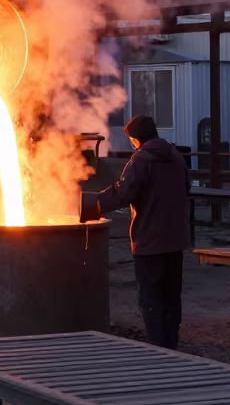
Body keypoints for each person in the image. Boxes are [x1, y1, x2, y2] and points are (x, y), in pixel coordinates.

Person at [80, 114, 191, 349]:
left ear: (136, 138)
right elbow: (186, 187)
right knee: (171, 297)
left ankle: (158, 349)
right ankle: (172, 346)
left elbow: (124, 193)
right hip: (175, 239)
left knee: (151, 298)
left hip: (149, 241)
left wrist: (95, 203)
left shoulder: (141, 160)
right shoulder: (176, 157)